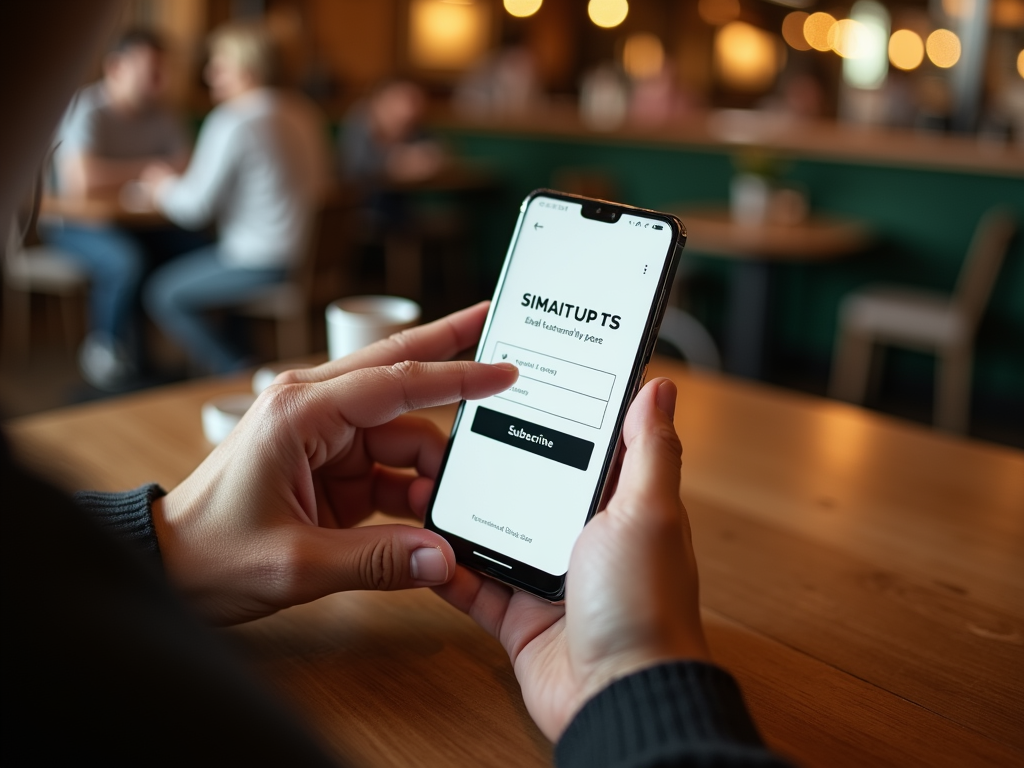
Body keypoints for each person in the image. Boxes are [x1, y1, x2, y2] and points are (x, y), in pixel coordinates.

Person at [1, 4, 789, 766]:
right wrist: (636, 684)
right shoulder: (301, 114)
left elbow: (194, 201)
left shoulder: (74, 661)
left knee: (158, 288)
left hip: (253, 263)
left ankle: (160, 357)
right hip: (302, 263)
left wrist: (165, 542)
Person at [140, 22, 330, 374]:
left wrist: (160, 184)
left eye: (219, 64)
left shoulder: (234, 119)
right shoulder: (304, 111)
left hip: (261, 261)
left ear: (249, 67)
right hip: (310, 256)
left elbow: (194, 209)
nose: (210, 74)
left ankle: (238, 370)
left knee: (162, 293)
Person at [41, 27, 197, 390]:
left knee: (201, 248)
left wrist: (132, 171)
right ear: (116, 68)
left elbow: (187, 165)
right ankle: (104, 354)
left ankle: (152, 361)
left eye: (163, 71)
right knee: (125, 260)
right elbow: (83, 181)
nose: (159, 81)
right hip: (73, 224)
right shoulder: (86, 108)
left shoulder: (164, 112)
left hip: (137, 224)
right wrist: (149, 168)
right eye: (150, 71)